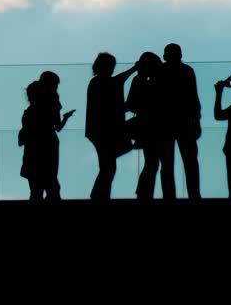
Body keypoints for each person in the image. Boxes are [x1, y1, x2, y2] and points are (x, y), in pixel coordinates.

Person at [85, 53, 139, 200]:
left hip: (99, 132)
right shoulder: (101, 83)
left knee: (107, 167)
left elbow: (117, 82)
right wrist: (134, 69)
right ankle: (98, 196)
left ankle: (99, 195)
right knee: (108, 168)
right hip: (104, 132)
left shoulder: (96, 83)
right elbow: (117, 83)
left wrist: (134, 69)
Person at [159, 44, 202, 199]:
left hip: (165, 124)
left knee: (167, 164)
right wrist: (197, 121)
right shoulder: (187, 71)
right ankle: (194, 195)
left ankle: (169, 196)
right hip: (185, 123)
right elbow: (193, 98)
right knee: (190, 162)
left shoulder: (160, 71)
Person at [19, 81, 74, 201]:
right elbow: (58, 127)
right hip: (49, 144)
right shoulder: (50, 109)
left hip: (33, 148)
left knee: (36, 188)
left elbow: (25, 134)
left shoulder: (28, 113)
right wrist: (65, 117)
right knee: (51, 183)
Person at [129, 52, 173, 199]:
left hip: (146, 127)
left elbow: (131, 104)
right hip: (164, 126)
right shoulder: (165, 78)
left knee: (151, 162)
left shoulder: (138, 80)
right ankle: (168, 195)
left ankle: (144, 193)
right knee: (166, 164)